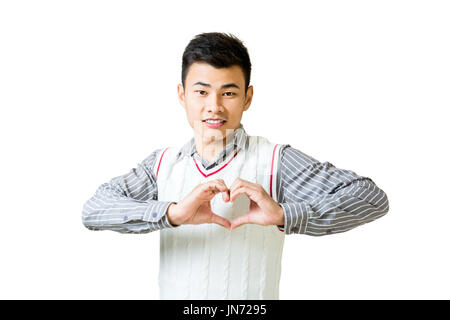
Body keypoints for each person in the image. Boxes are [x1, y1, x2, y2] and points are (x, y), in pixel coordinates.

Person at [82, 32, 389, 300]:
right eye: (201, 92)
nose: (214, 106)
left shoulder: (276, 161)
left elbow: (371, 197)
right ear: (182, 95)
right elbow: (94, 209)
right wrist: (172, 214)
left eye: (228, 92)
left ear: (247, 97)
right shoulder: (162, 165)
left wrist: (285, 215)